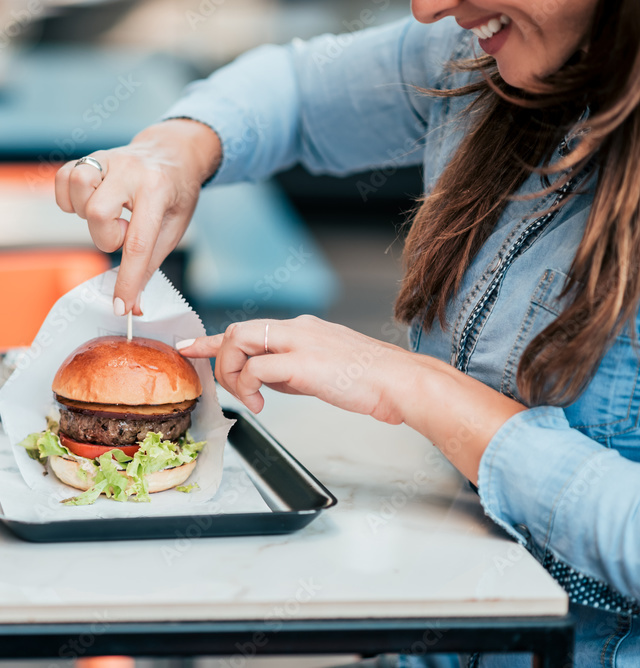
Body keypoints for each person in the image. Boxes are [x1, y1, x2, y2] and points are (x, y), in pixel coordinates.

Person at [54, 0, 639, 666]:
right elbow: (299, 90)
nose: (428, 10)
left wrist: (421, 389)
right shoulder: (474, 48)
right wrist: (174, 149)